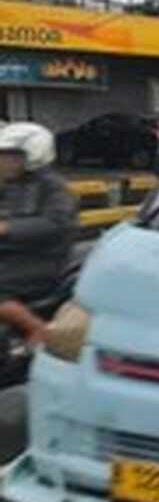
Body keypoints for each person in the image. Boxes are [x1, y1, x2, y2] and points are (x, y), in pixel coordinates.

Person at [0, 123, 78, 343]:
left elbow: (58, 224)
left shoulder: (53, 187)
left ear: (34, 154)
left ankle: (37, 329)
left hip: (39, 259)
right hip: (11, 255)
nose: (4, 161)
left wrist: (8, 228)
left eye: (11, 155)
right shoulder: (9, 184)